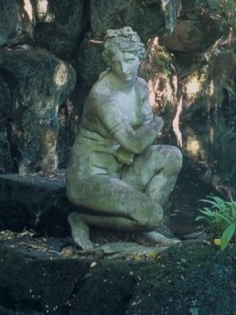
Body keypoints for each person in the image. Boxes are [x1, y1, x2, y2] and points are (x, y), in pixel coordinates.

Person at [66, 26, 182, 250]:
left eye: (129, 60)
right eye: (117, 62)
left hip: (121, 168)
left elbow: (140, 136)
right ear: (109, 61)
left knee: (172, 156)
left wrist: (138, 140)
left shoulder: (139, 87)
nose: (124, 68)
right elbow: (137, 141)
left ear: (140, 56)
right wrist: (158, 123)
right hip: (91, 178)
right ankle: (83, 219)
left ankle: (141, 231)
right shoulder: (103, 95)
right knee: (153, 215)